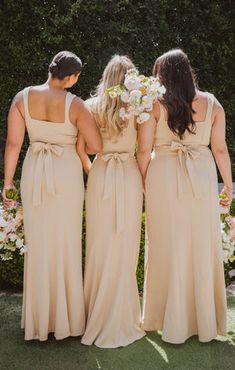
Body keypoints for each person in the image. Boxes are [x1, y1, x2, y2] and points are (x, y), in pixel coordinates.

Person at [3, 50, 102, 341]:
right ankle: (67, 321)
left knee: (39, 242)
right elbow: (95, 145)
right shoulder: (77, 105)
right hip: (66, 175)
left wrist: (8, 182)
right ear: (71, 77)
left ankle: (38, 322)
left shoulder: (22, 98)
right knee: (66, 242)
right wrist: (77, 141)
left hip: (34, 171)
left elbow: (12, 144)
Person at [137, 49, 233, 343]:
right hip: (202, 177)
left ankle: (164, 317)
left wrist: (143, 179)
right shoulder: (213, 104)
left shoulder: (154, 105)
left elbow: (143, 149)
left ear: (162, 76)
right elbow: (219, 149)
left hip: (163, 174)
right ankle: (202, 322)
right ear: (188, 71)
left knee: (166, 243)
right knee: (200, 242)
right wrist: (229, 185)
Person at [78, 55, 146, 348]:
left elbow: (81, 150)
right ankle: (121, 316)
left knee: (98, 246)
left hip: (101, 176)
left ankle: (93, 314)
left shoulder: (90, 107)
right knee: (125, 245)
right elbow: (145, 150)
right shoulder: (140, 107)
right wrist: (141, 180)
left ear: (106, 76)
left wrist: (95, 171)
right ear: (130, 77)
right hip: (129, 175)